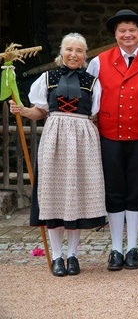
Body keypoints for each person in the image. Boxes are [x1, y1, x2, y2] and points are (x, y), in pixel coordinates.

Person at [9, 33, 106, 276]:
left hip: (83, 138)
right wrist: (22, 110)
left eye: (79, 50)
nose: (74, 54)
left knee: (77, 196)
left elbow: (95, 114)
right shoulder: (47, 78)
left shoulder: (93, 81)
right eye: (69, 49)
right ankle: (58, 256)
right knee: (54, 195)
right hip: (55, 138)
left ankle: (73, 255)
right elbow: (40, 111)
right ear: (61, 52)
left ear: (85, 55)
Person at [87, 9, 138, 271]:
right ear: (115, 34)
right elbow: (89, 99)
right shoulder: (99, 62)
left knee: (135, 192)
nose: (127, 34)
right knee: (114, 192)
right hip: (109, 134)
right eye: (122, 30)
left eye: (132, 30)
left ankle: (132, 248)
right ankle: (116, 249)